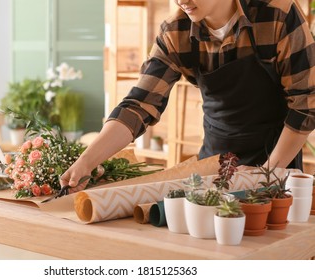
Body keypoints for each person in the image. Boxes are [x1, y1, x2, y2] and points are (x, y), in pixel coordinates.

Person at [60, 0, 315, 192]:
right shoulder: (176, 32)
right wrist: (86, 162)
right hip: (213, 163)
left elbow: (307, 103)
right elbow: (139, 105)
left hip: (277, 161)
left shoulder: (276, 15)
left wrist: (266, 174)